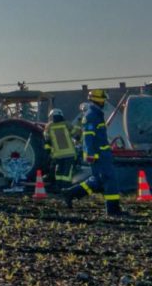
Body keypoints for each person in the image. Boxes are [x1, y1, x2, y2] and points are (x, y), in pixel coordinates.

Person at [62, 88, 126, 216]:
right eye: (103, 100)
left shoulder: (96, 114)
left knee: (98, 181)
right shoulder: (91, 115)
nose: (105, 103)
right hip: (98, 155)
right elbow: (88, 136)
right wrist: (90, 153)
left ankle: (71, 193)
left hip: (102, 154)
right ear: (98, 100)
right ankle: (113, 210)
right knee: (109, 179)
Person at [42, 108, 77, 191]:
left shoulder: (49, 126)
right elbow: (76, 135)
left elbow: (46, 140)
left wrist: (48, 150)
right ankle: (66, 188)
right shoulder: (67, 124)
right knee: (66, 172)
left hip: (58, 154)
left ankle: (59, 187)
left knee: (58, 172)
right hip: (69, 153)